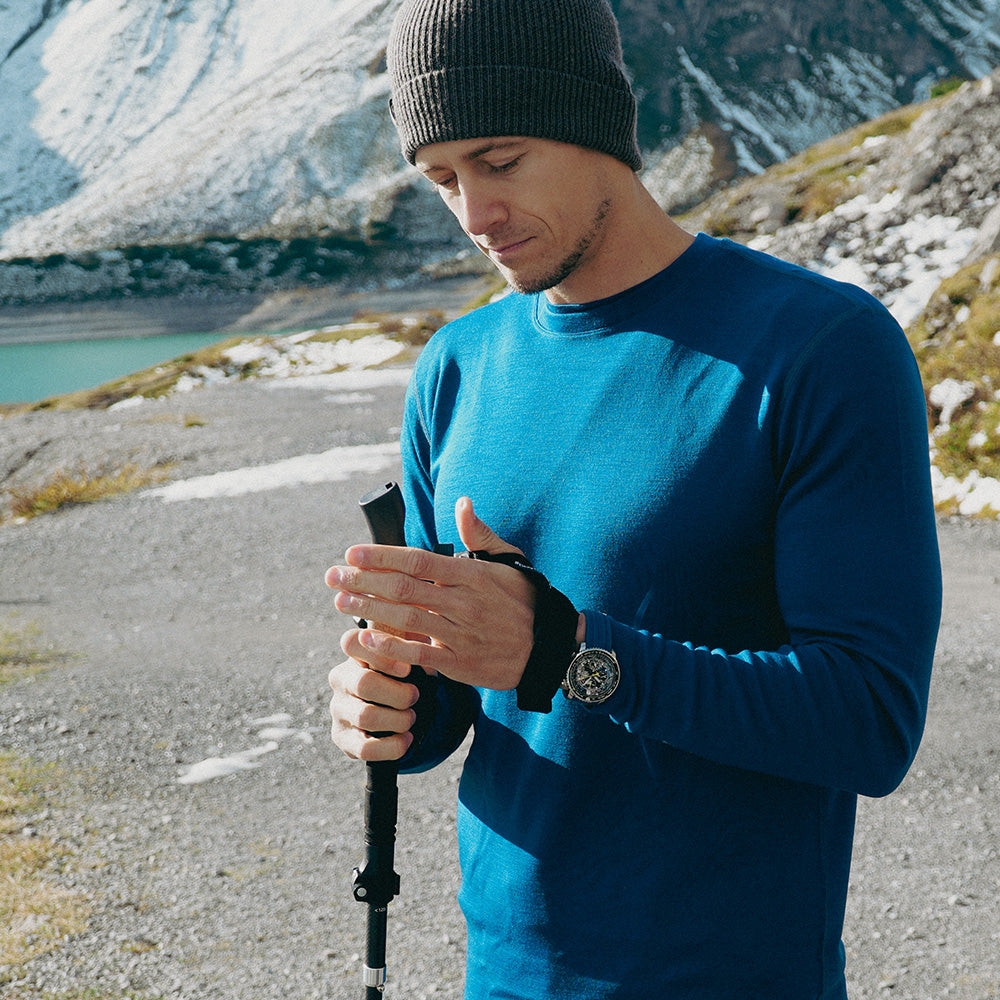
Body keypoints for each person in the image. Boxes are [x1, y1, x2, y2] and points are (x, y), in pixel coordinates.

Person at [325, 0, 943, 996]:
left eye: (500, 159)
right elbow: (459, 706)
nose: (475, 217)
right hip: (505, 971)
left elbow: (868, 721)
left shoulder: (820, 349)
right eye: (440, 180)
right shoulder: (457, 366)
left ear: (594, 124)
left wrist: (566, 653)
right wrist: (390, 704)